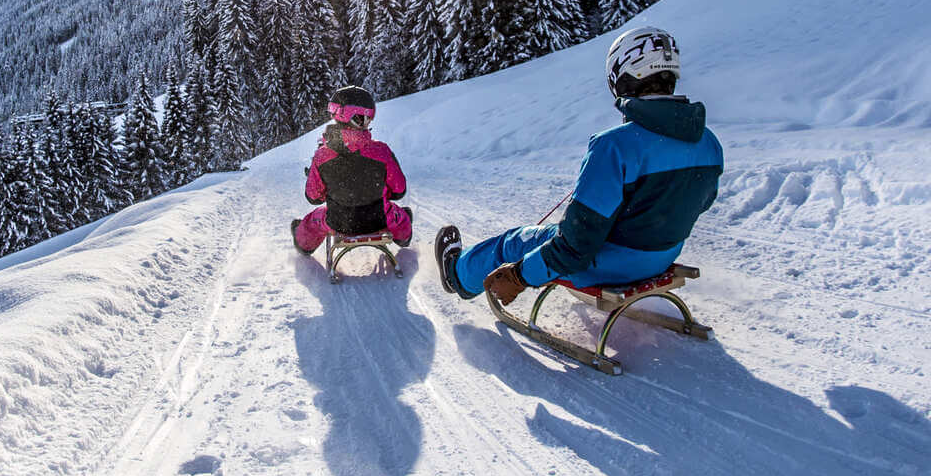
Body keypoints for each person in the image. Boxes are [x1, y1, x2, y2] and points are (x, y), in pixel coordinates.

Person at [435, 26, 722, 305]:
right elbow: (697, 203)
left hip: (605, 266)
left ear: (623, 76)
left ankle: (458, 277)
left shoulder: (614, 146)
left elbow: (575, 246)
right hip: (662, 258)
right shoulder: (709, 143)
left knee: (514, 242)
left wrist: (519, 275)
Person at [292, 85, 414, 253]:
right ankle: (403, 235)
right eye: (367, 118)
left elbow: (313, 197)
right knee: (398, 215)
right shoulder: (381, 151)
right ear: (358, 118)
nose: (369, 122)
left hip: (338, 223)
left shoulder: (322, 156)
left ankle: (303, 243)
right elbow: (399, 190)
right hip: (378, 220)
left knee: (316, 218)